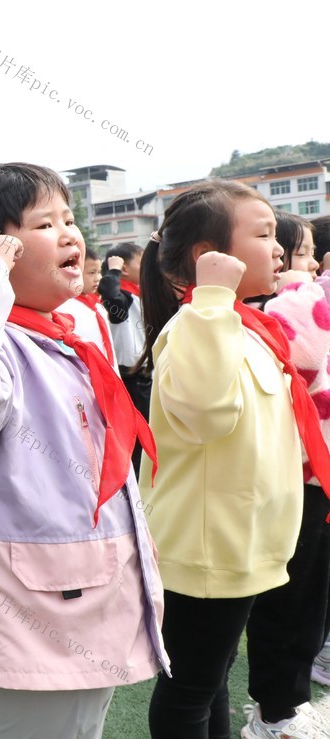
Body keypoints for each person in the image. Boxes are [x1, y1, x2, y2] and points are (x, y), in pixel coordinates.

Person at [0, 162, 168, 738]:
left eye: (69, 219)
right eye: (44, 223)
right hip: (28, 612)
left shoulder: (60, 335)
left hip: (85, 599)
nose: (70, 233)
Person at [136, 180, 330, 739]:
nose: (279, 249)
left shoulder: (243, 324)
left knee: (209, 681)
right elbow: (206, 412)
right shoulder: (200, 324)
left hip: (235, 543)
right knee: (191, 689)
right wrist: (214, 299)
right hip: (207, 550)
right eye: (265, 234)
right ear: (208, 257)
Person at [238, 212, 330, 738]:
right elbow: (308, 351)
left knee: (308, 603)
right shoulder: (276, 312)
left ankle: (284, 704)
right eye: (300, 254)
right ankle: (275, 711)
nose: (308, 265)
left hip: (315, 479)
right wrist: (301, 287)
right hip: (292, 480)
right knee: (286, 604)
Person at [99, 242, 150, 472]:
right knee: (137, 437)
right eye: (141, 260)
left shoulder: (140, 294)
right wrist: (114, 270)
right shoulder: (123, 298)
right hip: (132, 378)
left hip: (146, 375)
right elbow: (110, 294)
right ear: (124, 269)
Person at [58, 245, 117, 366]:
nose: (98, 278)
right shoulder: (63, 308)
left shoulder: (97, 306)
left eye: (99, 272)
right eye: (91, 273)